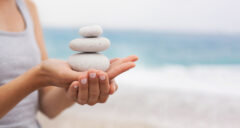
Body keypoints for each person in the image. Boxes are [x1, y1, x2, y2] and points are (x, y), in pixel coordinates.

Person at [0, 0, 138, 127]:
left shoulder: (27, 7)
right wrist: (39, 77)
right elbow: (39, 75)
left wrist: (75, 86)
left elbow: (47, 107)